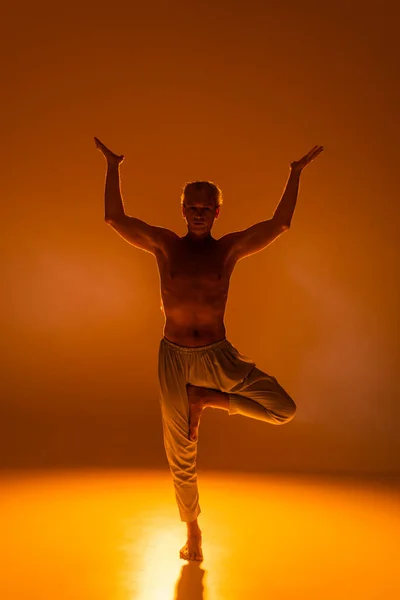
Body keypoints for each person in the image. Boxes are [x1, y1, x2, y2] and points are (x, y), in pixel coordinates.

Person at [94, 136, 324, 561]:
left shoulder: (228, 249)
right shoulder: (166, 245)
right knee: (180, 454)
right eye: (192, 208)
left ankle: (209, 399)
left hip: (219, 357)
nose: (199, 214)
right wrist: (113, 165)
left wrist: (294, 174)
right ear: (183, 211)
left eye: (206, 208)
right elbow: (114, 218)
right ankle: (194, 531)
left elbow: (279, 226)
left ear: (217, 212)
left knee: (282, 408)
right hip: (173, 359)